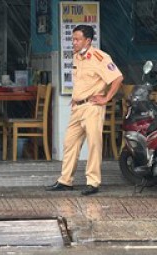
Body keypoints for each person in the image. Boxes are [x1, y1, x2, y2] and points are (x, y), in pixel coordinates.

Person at [46, 25, 123, 195]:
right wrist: (75, 98)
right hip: (78, 107)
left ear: (88, 41)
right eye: (73, 39)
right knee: (69, 143)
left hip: (92, 107)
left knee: (94, 144)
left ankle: (93, 182)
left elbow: (117, 78)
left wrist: (106, 98)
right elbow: (82, 81)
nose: (73, 42)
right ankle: (65, 180)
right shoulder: (77, 57)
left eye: (77, 39)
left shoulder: (100, 57)